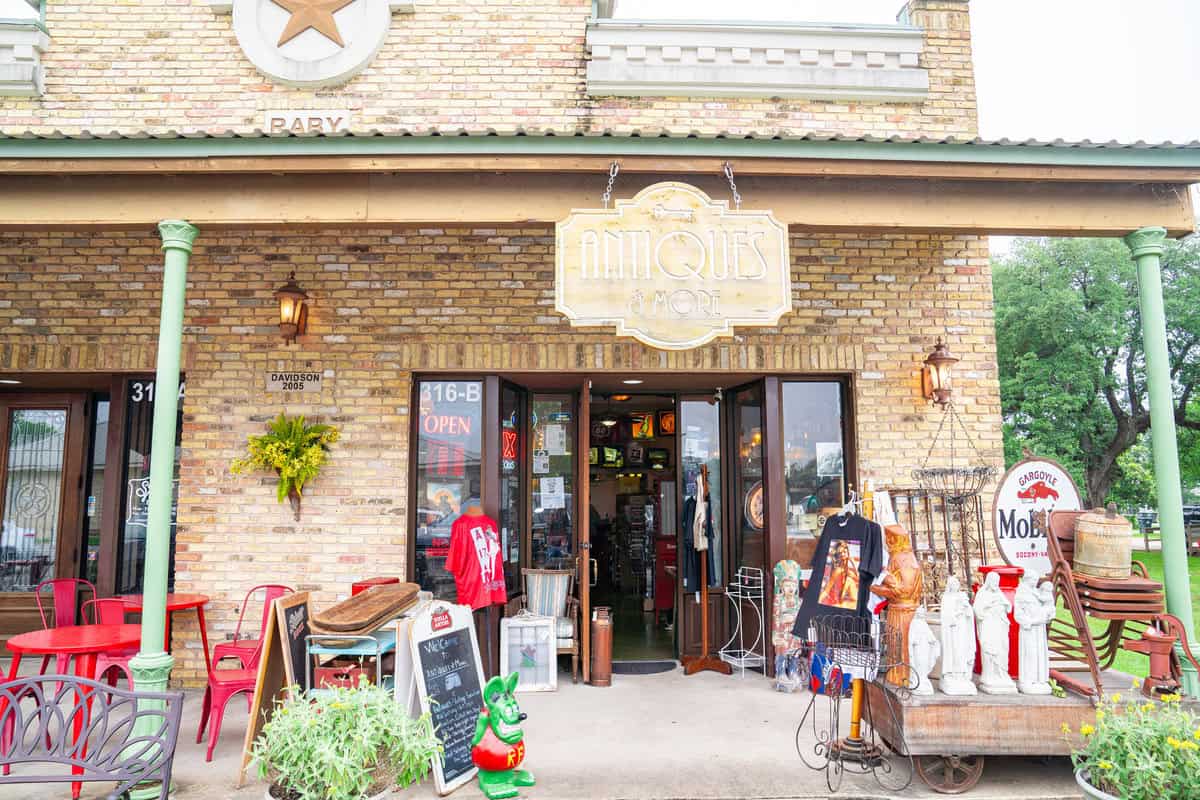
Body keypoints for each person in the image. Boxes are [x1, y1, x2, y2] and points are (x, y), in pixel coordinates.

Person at [974, 571, 1017, 694]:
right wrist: (990, 605)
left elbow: (1009, 607)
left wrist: (1002, 603)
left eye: (997, 582)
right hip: (989, 625)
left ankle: (1002, 673)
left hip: (1000, 626)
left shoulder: (999, 593)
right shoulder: (982, 594)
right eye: (994, 582)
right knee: (989, 649)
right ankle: (989, 675)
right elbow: (978, 611)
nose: (995, 585)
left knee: (1002, 649)